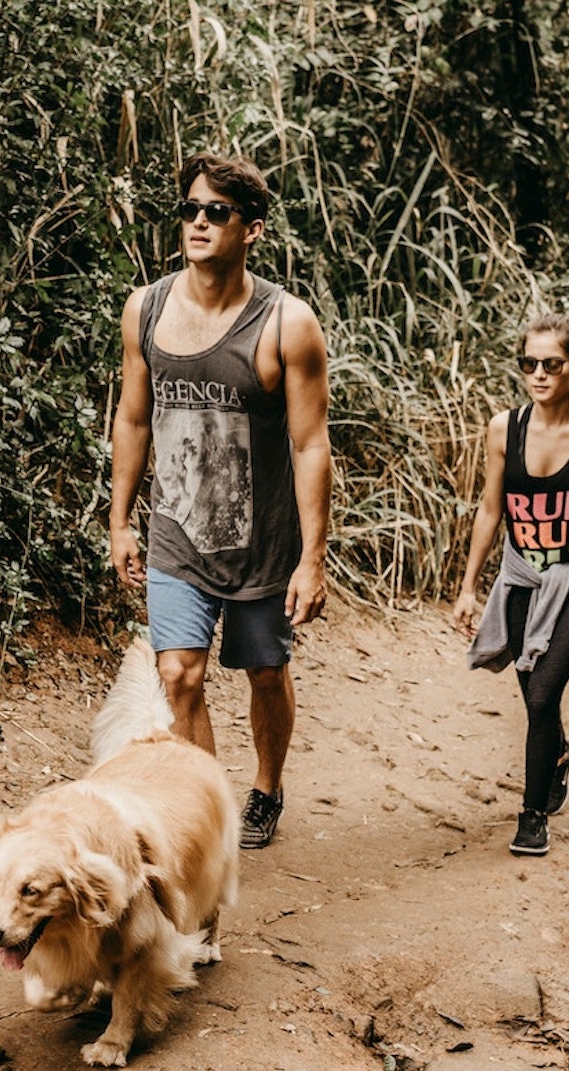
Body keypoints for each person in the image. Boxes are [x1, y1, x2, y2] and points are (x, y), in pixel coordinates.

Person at [109, 152, 332, 850]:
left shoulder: (287, 324)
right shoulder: (145, 308)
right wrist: (119, 521)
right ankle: (207, 815)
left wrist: (313, 558)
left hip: (262, 540)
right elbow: (133, 419)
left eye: (217, 213)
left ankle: (266, 787)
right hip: (176, 532)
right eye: (190, 211)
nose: (199, 223)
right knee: (179, 674)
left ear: (252, 230)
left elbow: (310, 445)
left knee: (265, 670)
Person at [451, 312, 569, 856]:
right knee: (533, 691)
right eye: (528, 364)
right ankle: (558, 754)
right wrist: (468, 586)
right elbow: (490, 509)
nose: (538, 374)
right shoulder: (502, 428)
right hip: (521, 576)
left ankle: (532, 815)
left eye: (551, 365)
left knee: (541, 693)